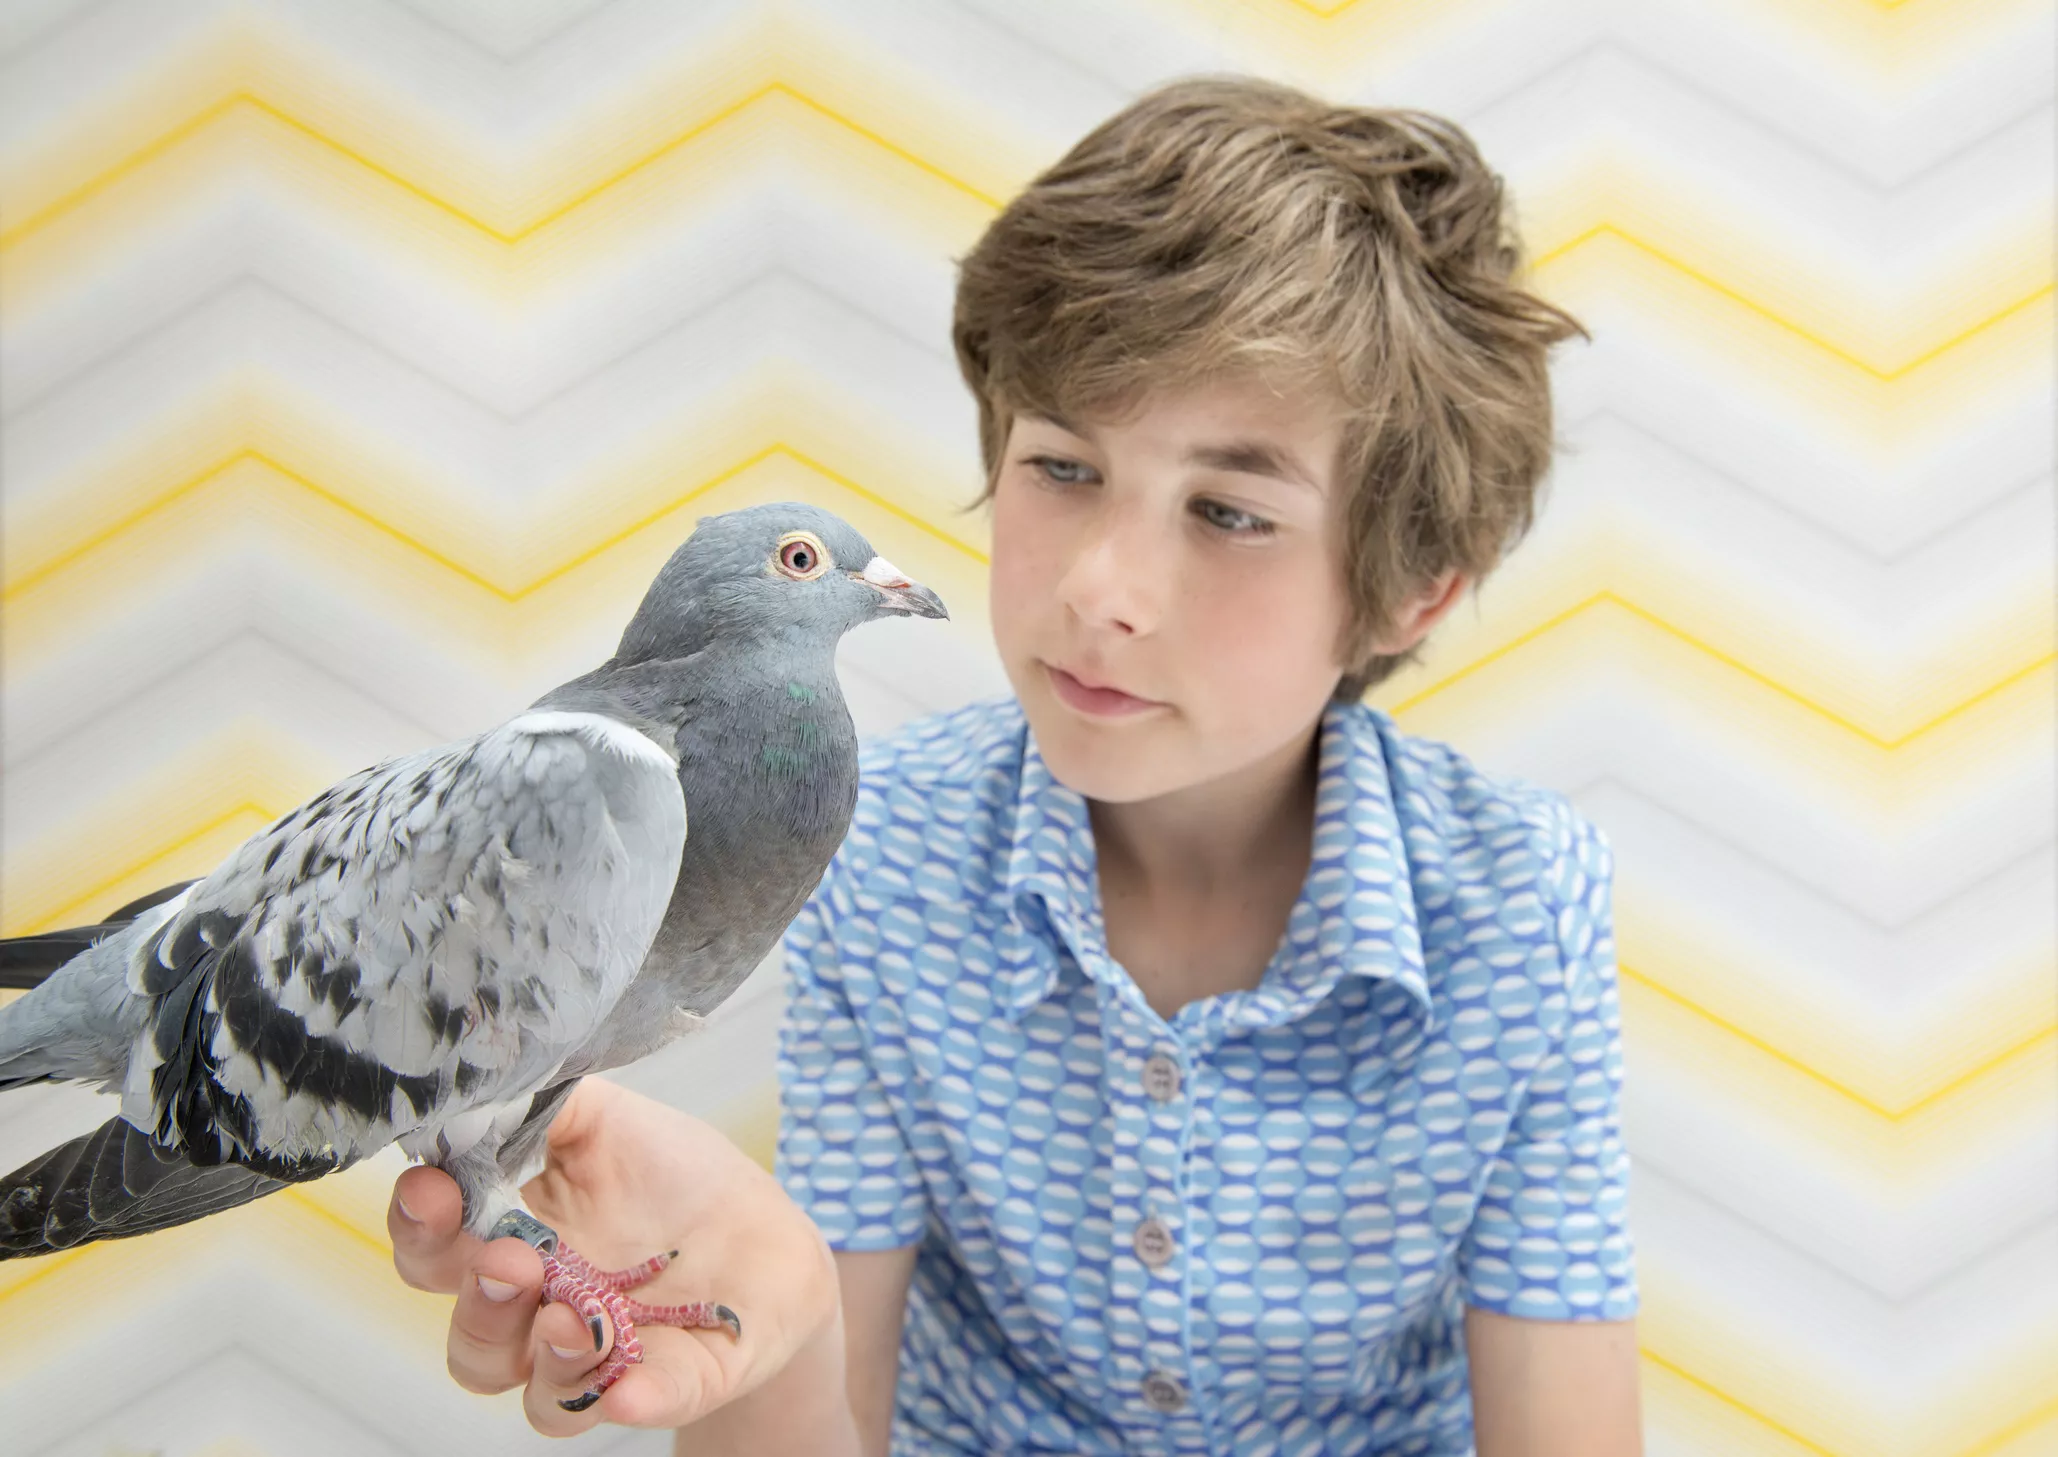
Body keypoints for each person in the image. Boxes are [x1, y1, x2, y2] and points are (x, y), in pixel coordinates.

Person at [387, 73, 1644, 1454]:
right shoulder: (882, 843)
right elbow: (824, 1411)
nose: (1103, 587)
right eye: (1062, 468)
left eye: (1226, 510)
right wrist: (776, 1320)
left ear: (1407, 596)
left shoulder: (1520, 893)